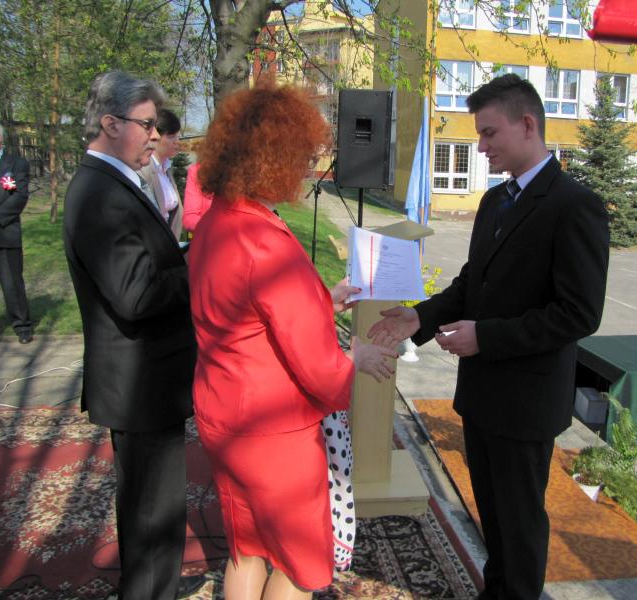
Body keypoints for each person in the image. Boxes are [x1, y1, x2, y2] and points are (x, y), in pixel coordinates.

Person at [368, 73, 610, 600]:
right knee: (494, 522)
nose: (481, 147)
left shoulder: (574, 204)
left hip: (526, 401)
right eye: (479, 134)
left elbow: (579, 313)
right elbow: (471, 284)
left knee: (519, 529)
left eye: (489, 133)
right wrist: (419, 318)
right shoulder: (495, 201)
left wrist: (487, 338)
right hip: (482, 395)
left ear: (528, 125)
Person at [188, 79, 396, 600]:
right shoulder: (265, 241)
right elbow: (319, 368)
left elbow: (247, 316)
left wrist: (322, 300)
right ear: (273, 158)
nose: (308, 169)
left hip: (222, 415)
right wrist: (356, 357)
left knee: (247, 548)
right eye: (304, 156)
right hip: (272, 431)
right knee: (300, 565)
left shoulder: (216, 222)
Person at [63, 71, 202, 599]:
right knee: (151, 522)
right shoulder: (100, 192)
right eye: (147, 124)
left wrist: (181, 255)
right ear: (110, 123)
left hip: (148, 380)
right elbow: (136, 295)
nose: (155, 135)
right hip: (139, 382)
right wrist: (201, 264)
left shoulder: (115, 181)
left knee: (157, 517)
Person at [0, 118, 33, 346]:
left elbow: (19, 196)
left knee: (12, 284)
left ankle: (22, 326)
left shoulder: (17, 163)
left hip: (4, 232)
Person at [139, 107, 184, 239]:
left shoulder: (167, 168)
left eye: (178, 136)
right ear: (154, 136)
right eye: (171, 136)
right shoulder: (143, 170)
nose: (177, 141)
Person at [181, 162, 212, 233]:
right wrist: (215, 228)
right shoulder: (197, 171)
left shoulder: (237, 172)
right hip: (208, 235)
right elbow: (189, 218)